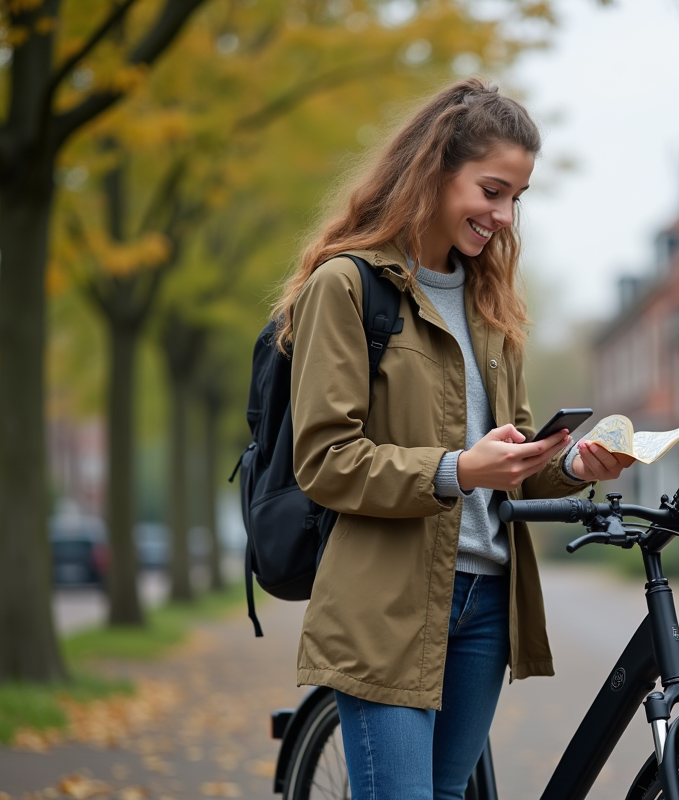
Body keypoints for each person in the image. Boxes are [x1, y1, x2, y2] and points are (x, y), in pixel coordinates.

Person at [270, 78, 632, 799]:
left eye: (516, 199)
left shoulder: (491, 306)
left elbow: (514, 459)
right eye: (491, 190)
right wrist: (459, 468)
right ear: (434, 171)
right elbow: (326, 461)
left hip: (488, 601)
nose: (502, 216)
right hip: (384, 605)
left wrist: (575, 463)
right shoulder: (345, 287)